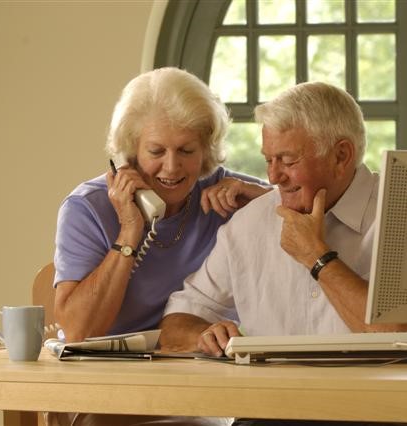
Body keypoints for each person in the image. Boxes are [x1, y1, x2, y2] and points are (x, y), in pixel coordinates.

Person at [49, 67, 268, 426]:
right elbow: (79, 333)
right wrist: (130, 230)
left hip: (205, 383)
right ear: (129, 154)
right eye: (156, 151)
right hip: (112, 391)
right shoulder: (87, 208)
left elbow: (309, 218)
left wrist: (261, 201)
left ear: (207, 150)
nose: (172, 166)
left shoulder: (226, 194)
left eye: (187, 150)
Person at [159, 81, 407, 374]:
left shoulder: (405, 214)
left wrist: (317, 257)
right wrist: (203, 335)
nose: (272, 176)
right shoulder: (248, 225)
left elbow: (396, 334)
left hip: (379, 411)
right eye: (269, 160)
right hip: (267, 410)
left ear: (341, 156)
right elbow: (177, 322)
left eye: (287, 160)